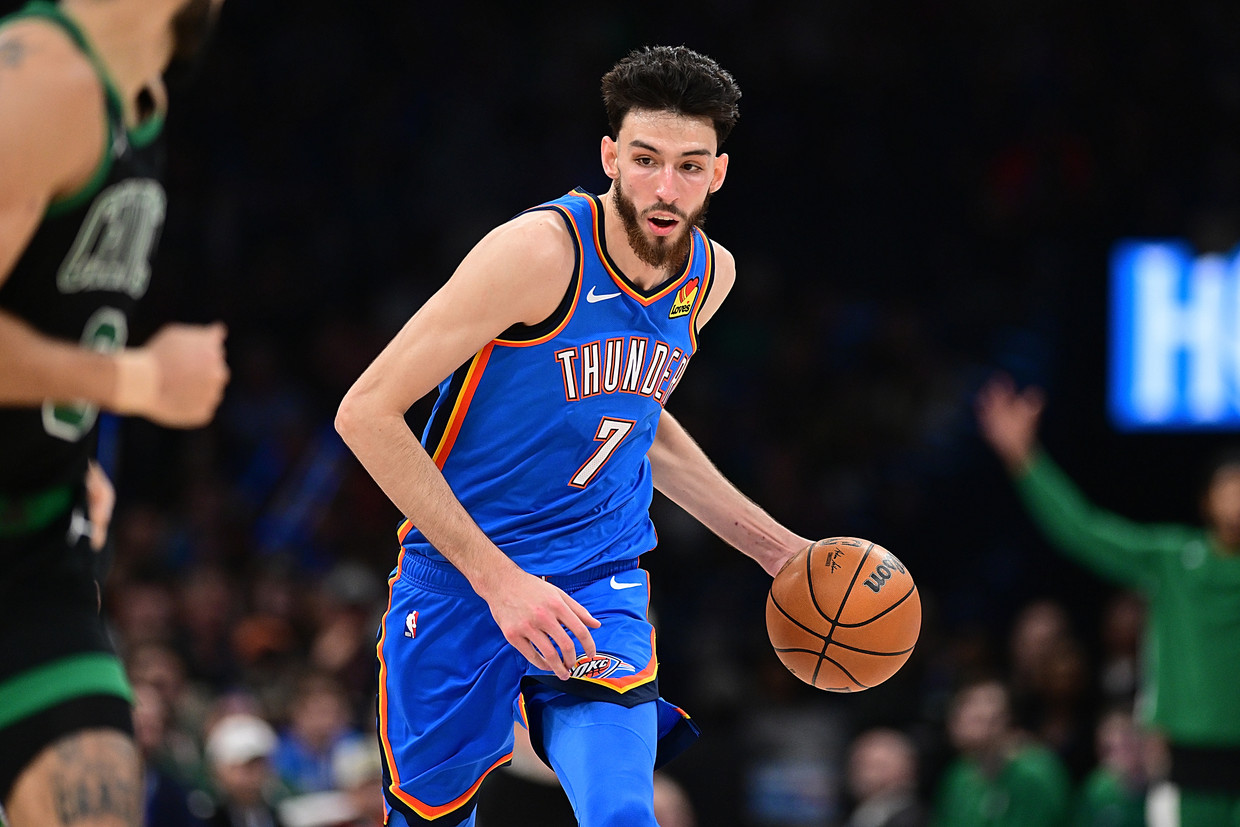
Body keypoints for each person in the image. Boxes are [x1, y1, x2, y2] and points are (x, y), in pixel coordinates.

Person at [335, 45, 812, 827]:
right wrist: (500, 581)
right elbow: (365, 411)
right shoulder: (538, 253)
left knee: (623, 810)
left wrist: (775, 547)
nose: (666, 188)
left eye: (690, 166)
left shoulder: (709, 276)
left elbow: (638, 423)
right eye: (646, 160)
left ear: (718, 173)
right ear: (610, 158)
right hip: (460, 574)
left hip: (597, 574)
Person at [0, 1, 229, 825]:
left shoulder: (136, 100)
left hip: (34, 553)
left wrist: (60, 453)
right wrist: (134, 379)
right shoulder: (39, 77)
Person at [975, 375, 1240, 826]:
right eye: (1228, 486)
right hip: (1187, 755)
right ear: (1205, 501)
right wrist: (1025, 461)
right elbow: (1084, 530)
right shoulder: (1172, 560)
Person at [931, 679, 1071, 827]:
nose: (957, 720)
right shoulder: (958, 774)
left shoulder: (1035, 775)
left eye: (974, 716)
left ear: (1001, 719)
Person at [843, 728, 926, 827]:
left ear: (907, 769)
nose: (866, 775)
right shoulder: (863, 812)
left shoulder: (913, 819)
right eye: (859, 764)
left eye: (878, 766)